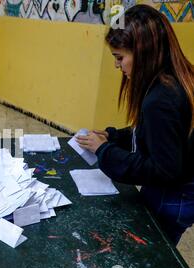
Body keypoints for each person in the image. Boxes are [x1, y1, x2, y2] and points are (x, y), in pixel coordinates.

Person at [76, 4, 194, 245]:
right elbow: (156, 132)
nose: (117, 66)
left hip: (172, 198)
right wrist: (113, 137)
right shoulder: (176, 80)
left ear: (144, 52)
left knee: (154, 256)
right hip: (182, 193)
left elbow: (163, 169)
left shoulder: (160, 100)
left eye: (120, 58)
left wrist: (104, 151)